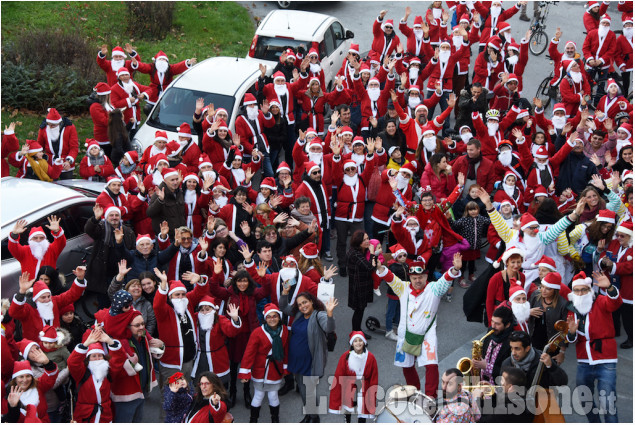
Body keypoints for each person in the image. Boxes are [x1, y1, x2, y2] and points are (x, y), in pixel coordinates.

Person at [375, 254, 462, 397]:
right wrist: (380, 268)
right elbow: (390, 278)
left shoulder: (434, 289)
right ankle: (414, 392)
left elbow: (445, 279)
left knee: (431, 366)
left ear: (426, 277)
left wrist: (454, 270)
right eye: (414, 278)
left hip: (427, 336)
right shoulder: (403, 288)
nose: (418, 280)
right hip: (406, 334)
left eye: (421, 277)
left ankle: (430, 398)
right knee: (407, 367)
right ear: (409, 278)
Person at [478, 187, 581, 286]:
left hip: (535, 277)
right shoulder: (510, 235)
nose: (535, 230)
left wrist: (575, 214)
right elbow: (498, 221)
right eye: (531, 228)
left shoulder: (542, 237)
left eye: (536, 227)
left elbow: (558, 227)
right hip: (513, 275)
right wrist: (488, 204)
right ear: (523, 228)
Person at [566, 271, 622, 423]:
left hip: (605, 358)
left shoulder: (601, 301)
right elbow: (571, 340)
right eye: (577, 290)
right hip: (584, 360)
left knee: (608, 402)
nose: (580, 293)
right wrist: (571, 333)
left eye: (584, 289)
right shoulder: (572, 310)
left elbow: (616, 303)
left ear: (590, 290)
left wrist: (609, 287)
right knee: (585, 400)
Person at [279, 292, 338, 423]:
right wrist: (284, 293)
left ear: (311, 301)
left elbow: (329, 328)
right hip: (297, 360)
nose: (302, 306)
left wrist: (329, 314)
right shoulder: (299, 314)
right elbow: (283, 307)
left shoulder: (319, 315)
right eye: (299, 304)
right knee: (302, 388)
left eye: (305, 302)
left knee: (308, 391)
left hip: (310, 362)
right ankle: (309, 414)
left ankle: (314, 417)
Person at [152, 268, 209, 385]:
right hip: (172, 361)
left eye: (183, 294)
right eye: (177, 295)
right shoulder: (164, 311)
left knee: (185, 387)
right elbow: (157, 304)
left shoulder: (188, 304)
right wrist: (163, 285)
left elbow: (200, 292)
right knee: (171, 391)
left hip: (188, 358)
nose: (181, 297)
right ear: (170, 296)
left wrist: (200, 279)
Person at [109, 310, 164, 423]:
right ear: (127, 326)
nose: (141, 327)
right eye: (137, 325)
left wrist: (161, 345)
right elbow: (116, 369)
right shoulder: (120, 342)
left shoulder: (143, 337)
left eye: (143, 324)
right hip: (126, 394)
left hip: (141, 390)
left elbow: (155, 353)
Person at [238, 303, 289, 423]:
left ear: (279, 317)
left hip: (275, 369)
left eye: (275, 316)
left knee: (273, 395)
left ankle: (275, 419)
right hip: (260, 369)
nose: (272, 319)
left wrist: (286, 367)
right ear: (265, 318)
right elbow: (249, 353)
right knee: (258, 395)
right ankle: (253, 420)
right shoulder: (257, 332)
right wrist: (245, 372)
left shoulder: (284, 330)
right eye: (269, 317)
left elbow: (286, 350)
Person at [9, 268, 86, 342]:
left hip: (55, 344)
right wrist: (22, 292)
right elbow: (13, 312)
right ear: (35, 298)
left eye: (48, 296)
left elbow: (71, 295)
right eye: (43, 297)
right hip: (36, 349)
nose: (47, 300)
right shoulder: (28, 308)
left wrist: (80, 278)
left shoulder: (54, 301)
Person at [85, 204, 136, 308]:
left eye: (116, 215)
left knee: (121, 303)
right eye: (111, 215)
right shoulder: (101, 228)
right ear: (107, 217)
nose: (114, 217)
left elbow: (131, 255)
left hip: (121, 274)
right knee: (104, 304)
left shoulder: (128, 231)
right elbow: (89, 230)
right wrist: (95, 219)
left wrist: (120, 243)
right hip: (103, 274)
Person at [67, 327, 120, 423]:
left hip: (104, 414)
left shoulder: (108, 371)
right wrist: (85, 344)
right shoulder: (82, 373)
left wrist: (110, 341)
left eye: (100, 356)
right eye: (94, 356)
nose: (97, 358)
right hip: (85, 415)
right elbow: (72, 363)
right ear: (88, 359)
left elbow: (118, 360)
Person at [328, 331, 378, 423]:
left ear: (364, 342)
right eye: (355, 341)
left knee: (362, 413)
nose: (358, 343)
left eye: (360, 340)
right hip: (349, 388)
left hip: (364, 389)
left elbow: (374, 378)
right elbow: (339, 375)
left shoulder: (371, 358)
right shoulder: (345, 357)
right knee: (348, 411)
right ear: (352, 343)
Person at [598, 220, 633, 348]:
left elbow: (630, 267)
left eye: (622, 236)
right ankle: (614, 331)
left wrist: (613, 266)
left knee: (627, 314)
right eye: (617, 235)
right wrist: (603, 262)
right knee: (612, 310)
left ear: (631, 236)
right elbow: (604, 255)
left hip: (628, 287)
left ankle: (631, 338)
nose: (618, 238)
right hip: (612, 283)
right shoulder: (614, 243)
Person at [192, 295, 242, 384]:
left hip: (217, 358)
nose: (204, 312)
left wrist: (235, 319)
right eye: (202, 310)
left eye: (207, 309)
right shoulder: (196, 318)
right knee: (201, 385)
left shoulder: (220, 319)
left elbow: (231, 332)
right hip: (200, 359)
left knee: (218, 386)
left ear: (213, 310)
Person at [132, 50, 197, 113]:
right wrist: (137, 64)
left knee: (167, 107)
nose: (162, 61)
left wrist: (187, 63)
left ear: (167, 61)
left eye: (164, 59)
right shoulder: (152, 67)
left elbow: (178, 67)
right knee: (149, 108)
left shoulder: (170, 68)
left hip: (167, 90)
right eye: (160, 59)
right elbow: (144, 67)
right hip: (154, 90)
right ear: (156, 61)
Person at [501, 330, 568, 389]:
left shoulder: (543, 361)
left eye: (517, 349)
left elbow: (562, 383)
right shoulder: (507, 364)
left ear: (527, 348)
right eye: (511, 348)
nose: (513, 353)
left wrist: (552, 367)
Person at [108, 260, 158, 336]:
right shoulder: (121, 301)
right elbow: (112, 292)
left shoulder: (146, 304)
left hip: (140, 337)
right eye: (133, 286)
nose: (137, 288)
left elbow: (151, 322)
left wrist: (145, 337)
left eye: (139, 286)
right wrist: (120, 275)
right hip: (122, 337)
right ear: (127, 289)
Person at [528, 272, 569, 359]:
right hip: (533, 341)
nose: (543, 290)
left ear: (555, 290)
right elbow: (522, 315)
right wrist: (528, 312)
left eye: (548, 288)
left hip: (552, 345)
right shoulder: (535, 296)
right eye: (542, 287)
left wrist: (562, 352)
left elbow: (564, 330)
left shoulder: (562, 304)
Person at [5, 358, 59, 422]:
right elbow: (12, 420)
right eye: (21, 377)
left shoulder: (38, 385)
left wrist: (48, 363)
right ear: (15, 379)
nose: (25, 380)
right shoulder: (10, 395)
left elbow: (50, 377)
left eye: (28, 376)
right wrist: (13, 407)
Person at [346, 231, 376, 335]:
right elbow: (369, 267)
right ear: (358, 242)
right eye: (364, 240)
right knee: (359, 310)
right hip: (358, 285)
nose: (368, 241)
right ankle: (356, 332)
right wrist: (372, 253)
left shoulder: (361, 250)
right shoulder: (355, 253)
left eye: (368, 238)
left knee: (360, 309)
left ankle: (358, 331)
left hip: (362, 282)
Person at [36, 107, 79, 180]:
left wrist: (69, 161)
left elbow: (74, 148)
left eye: (53, 125)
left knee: (66, 186)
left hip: (65, 162)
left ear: (58, 123)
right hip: (49, 163)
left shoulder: (70, 128)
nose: (50, 127)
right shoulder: (43, 128)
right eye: (48, 124)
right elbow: (39, 146)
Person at [475, 305, 515, 384]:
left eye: (497, 324)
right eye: (492, 321)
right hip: (482, 379)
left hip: (497, 386)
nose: (493, 326)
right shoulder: (491, 330)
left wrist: (487, 367)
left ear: (507, 325)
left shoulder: (512, 342)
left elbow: (508, 373)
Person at [146, 167, 186, 238]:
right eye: (172, 180)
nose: (175, 182)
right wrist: (160, 200)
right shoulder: (159, 193)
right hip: (165, 236)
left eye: (177, 179)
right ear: (165, 181)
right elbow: (149, 213)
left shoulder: (179, 192)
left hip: (180, 234)